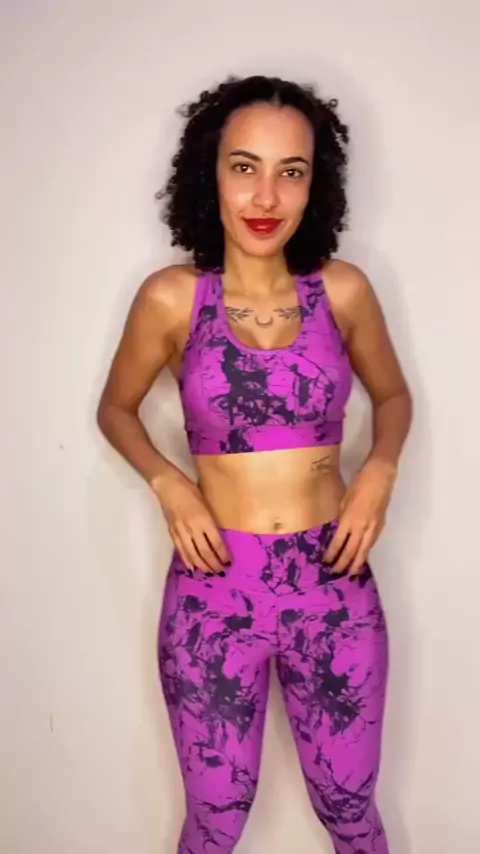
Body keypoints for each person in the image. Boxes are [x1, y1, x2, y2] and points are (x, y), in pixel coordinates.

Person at [97, 74, 412, 854]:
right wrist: (170, 484)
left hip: (334, 586)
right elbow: (115, 409)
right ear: (210, 173)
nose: (266, 195)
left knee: (350, 811)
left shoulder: (343, 291)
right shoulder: (172, 299)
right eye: (244, 167)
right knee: (215, 822)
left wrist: (379, 470)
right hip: (214, 591)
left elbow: (393, 396)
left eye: (290, 171)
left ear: (315, 185)